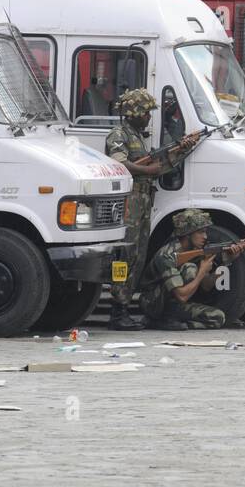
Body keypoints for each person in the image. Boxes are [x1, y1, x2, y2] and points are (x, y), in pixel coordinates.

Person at [105, 88, 198, 331]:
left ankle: (123, 306)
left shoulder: (137, 135)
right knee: (125, 256)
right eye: (145, 112)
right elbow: (119, 162)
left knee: (138, 255)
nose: (148, 117)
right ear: (133, 113)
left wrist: (181, 149)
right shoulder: (119, 134)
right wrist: (148, 171)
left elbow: (158, 164)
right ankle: (118, 310)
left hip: (143, 203)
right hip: (130, 204)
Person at [140, 209, 243, 329]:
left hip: (176, 304)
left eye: (205, 232)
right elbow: (181, 296)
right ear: (187, 234)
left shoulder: (195, 251)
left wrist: (226, 262)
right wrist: (201, 272)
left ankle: (179, 323)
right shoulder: (168, 255)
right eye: (200, 232)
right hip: (153, 303)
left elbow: (206, 285)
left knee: (218, 317)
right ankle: (160, 320)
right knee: (190, 268)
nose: (205, 237)